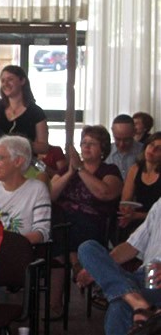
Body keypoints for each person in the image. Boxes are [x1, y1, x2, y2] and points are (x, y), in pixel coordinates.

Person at [49, 125, 123, 317]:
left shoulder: (110, 170)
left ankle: (75, 264)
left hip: (93, 224)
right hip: (63, 224)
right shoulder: (68, 168)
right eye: (83, 143)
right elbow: (50, 195)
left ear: (103, 149)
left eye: (92, 144)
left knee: (70, 226)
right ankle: (57, 300)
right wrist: (69, 173)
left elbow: (105, 193)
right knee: (57, 231)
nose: (86, 147)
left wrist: (81, 170)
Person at [76, 197, 161, 335]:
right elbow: (131, 246)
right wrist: (99, 267)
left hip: (156, 276)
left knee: (120, 304)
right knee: (87, 248)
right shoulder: (159, 204)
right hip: (146, 273)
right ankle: (137, 302)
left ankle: (134, 301)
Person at [0, 135, 51, 244]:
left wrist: (9, 243)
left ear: (18, 161)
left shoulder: (37, 189)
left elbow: (42, 232)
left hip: (18, 254)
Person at [0, 65, 49, 155]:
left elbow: (44, 147)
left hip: (24, 166)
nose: (5, 84)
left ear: (22, 81)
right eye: (3, 81)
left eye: (10, 79)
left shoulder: (36, 113)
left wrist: (20, 144)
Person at [118, 132, 161, 242]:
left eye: (159, 148)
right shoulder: (135, 169)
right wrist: (127, 213)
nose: (153, 150)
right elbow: (126, 199)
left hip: (157, 219)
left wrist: (137, 215)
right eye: (151, 145)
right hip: (136, 215)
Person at [106, 114, 143, 180]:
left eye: (127, 140)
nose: (121, 144)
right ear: (112, 131)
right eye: (117, 139)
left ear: (134, 132)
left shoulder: (144, 151)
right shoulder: (106, 152)